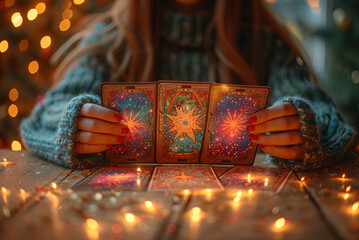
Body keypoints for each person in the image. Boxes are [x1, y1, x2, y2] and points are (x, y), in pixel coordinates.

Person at [20, 0, 355, 170]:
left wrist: (306, 132)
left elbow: (326, 118)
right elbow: (50, 111)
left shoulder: (262, 43)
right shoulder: (112, 41)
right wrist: (72, 123)